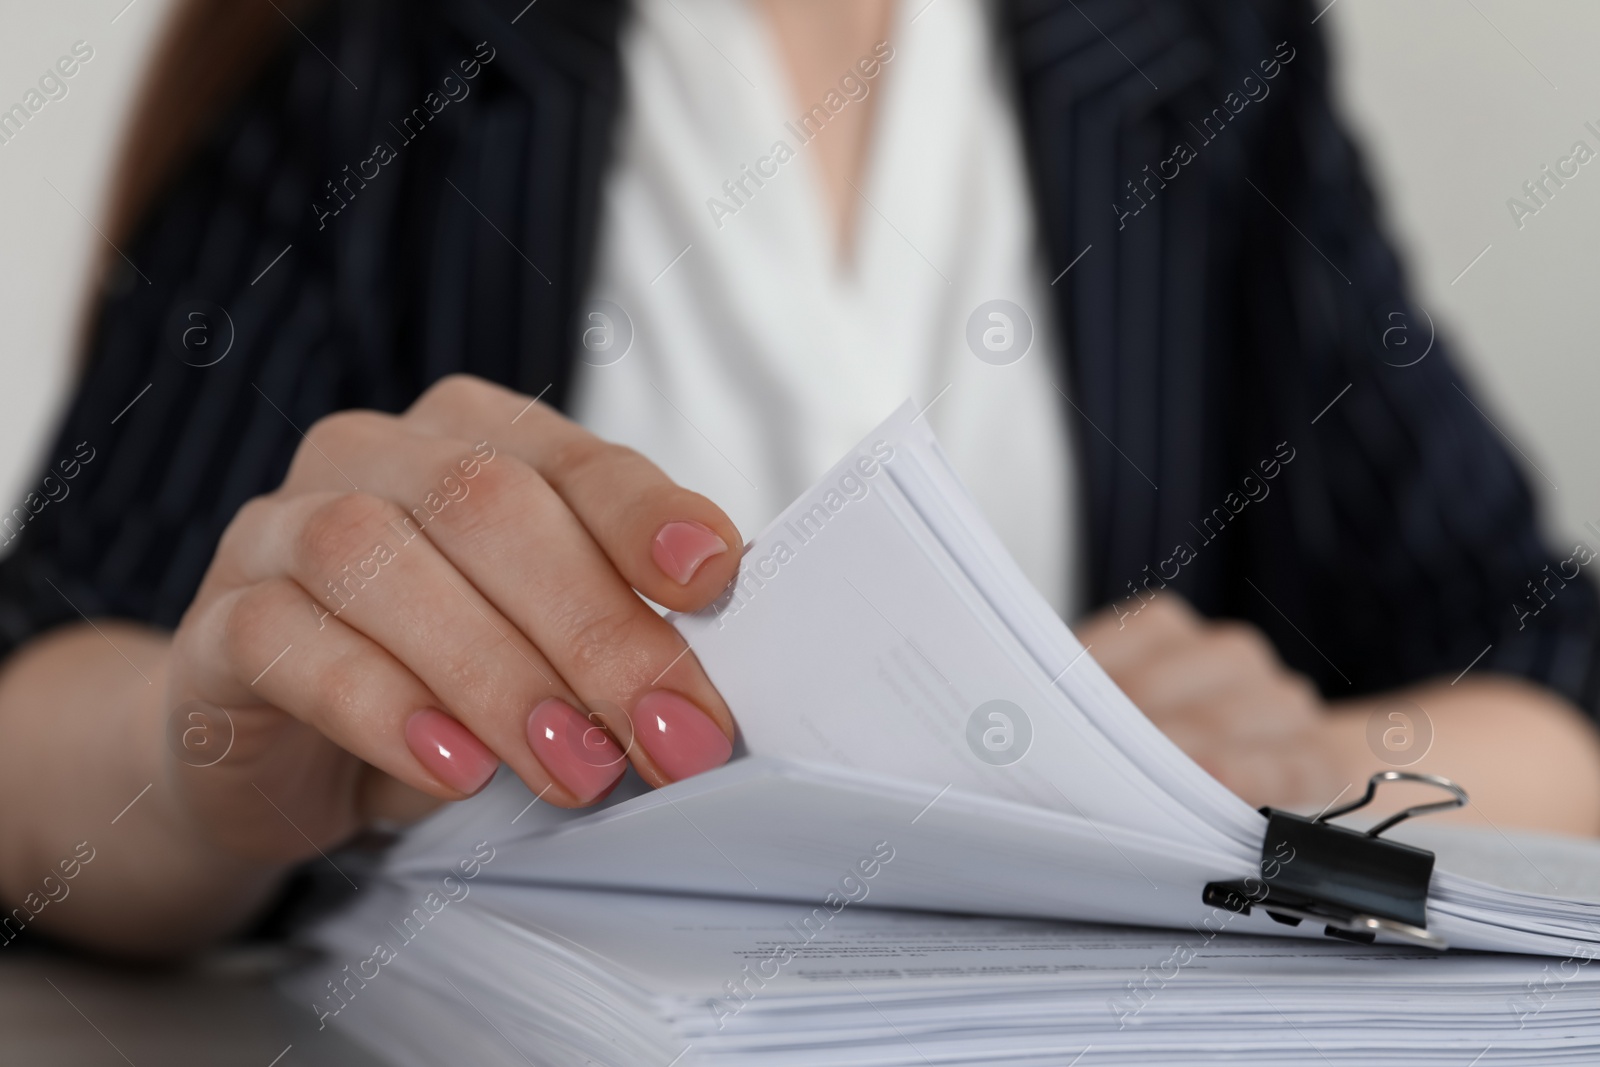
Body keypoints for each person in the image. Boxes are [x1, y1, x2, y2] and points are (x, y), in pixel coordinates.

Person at [1, 0, 1597, 959]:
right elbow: (38, 688)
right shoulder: (380, 47)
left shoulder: (1200, 42)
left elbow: (1547, 664)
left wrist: (1249, 786)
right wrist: (202, 759)